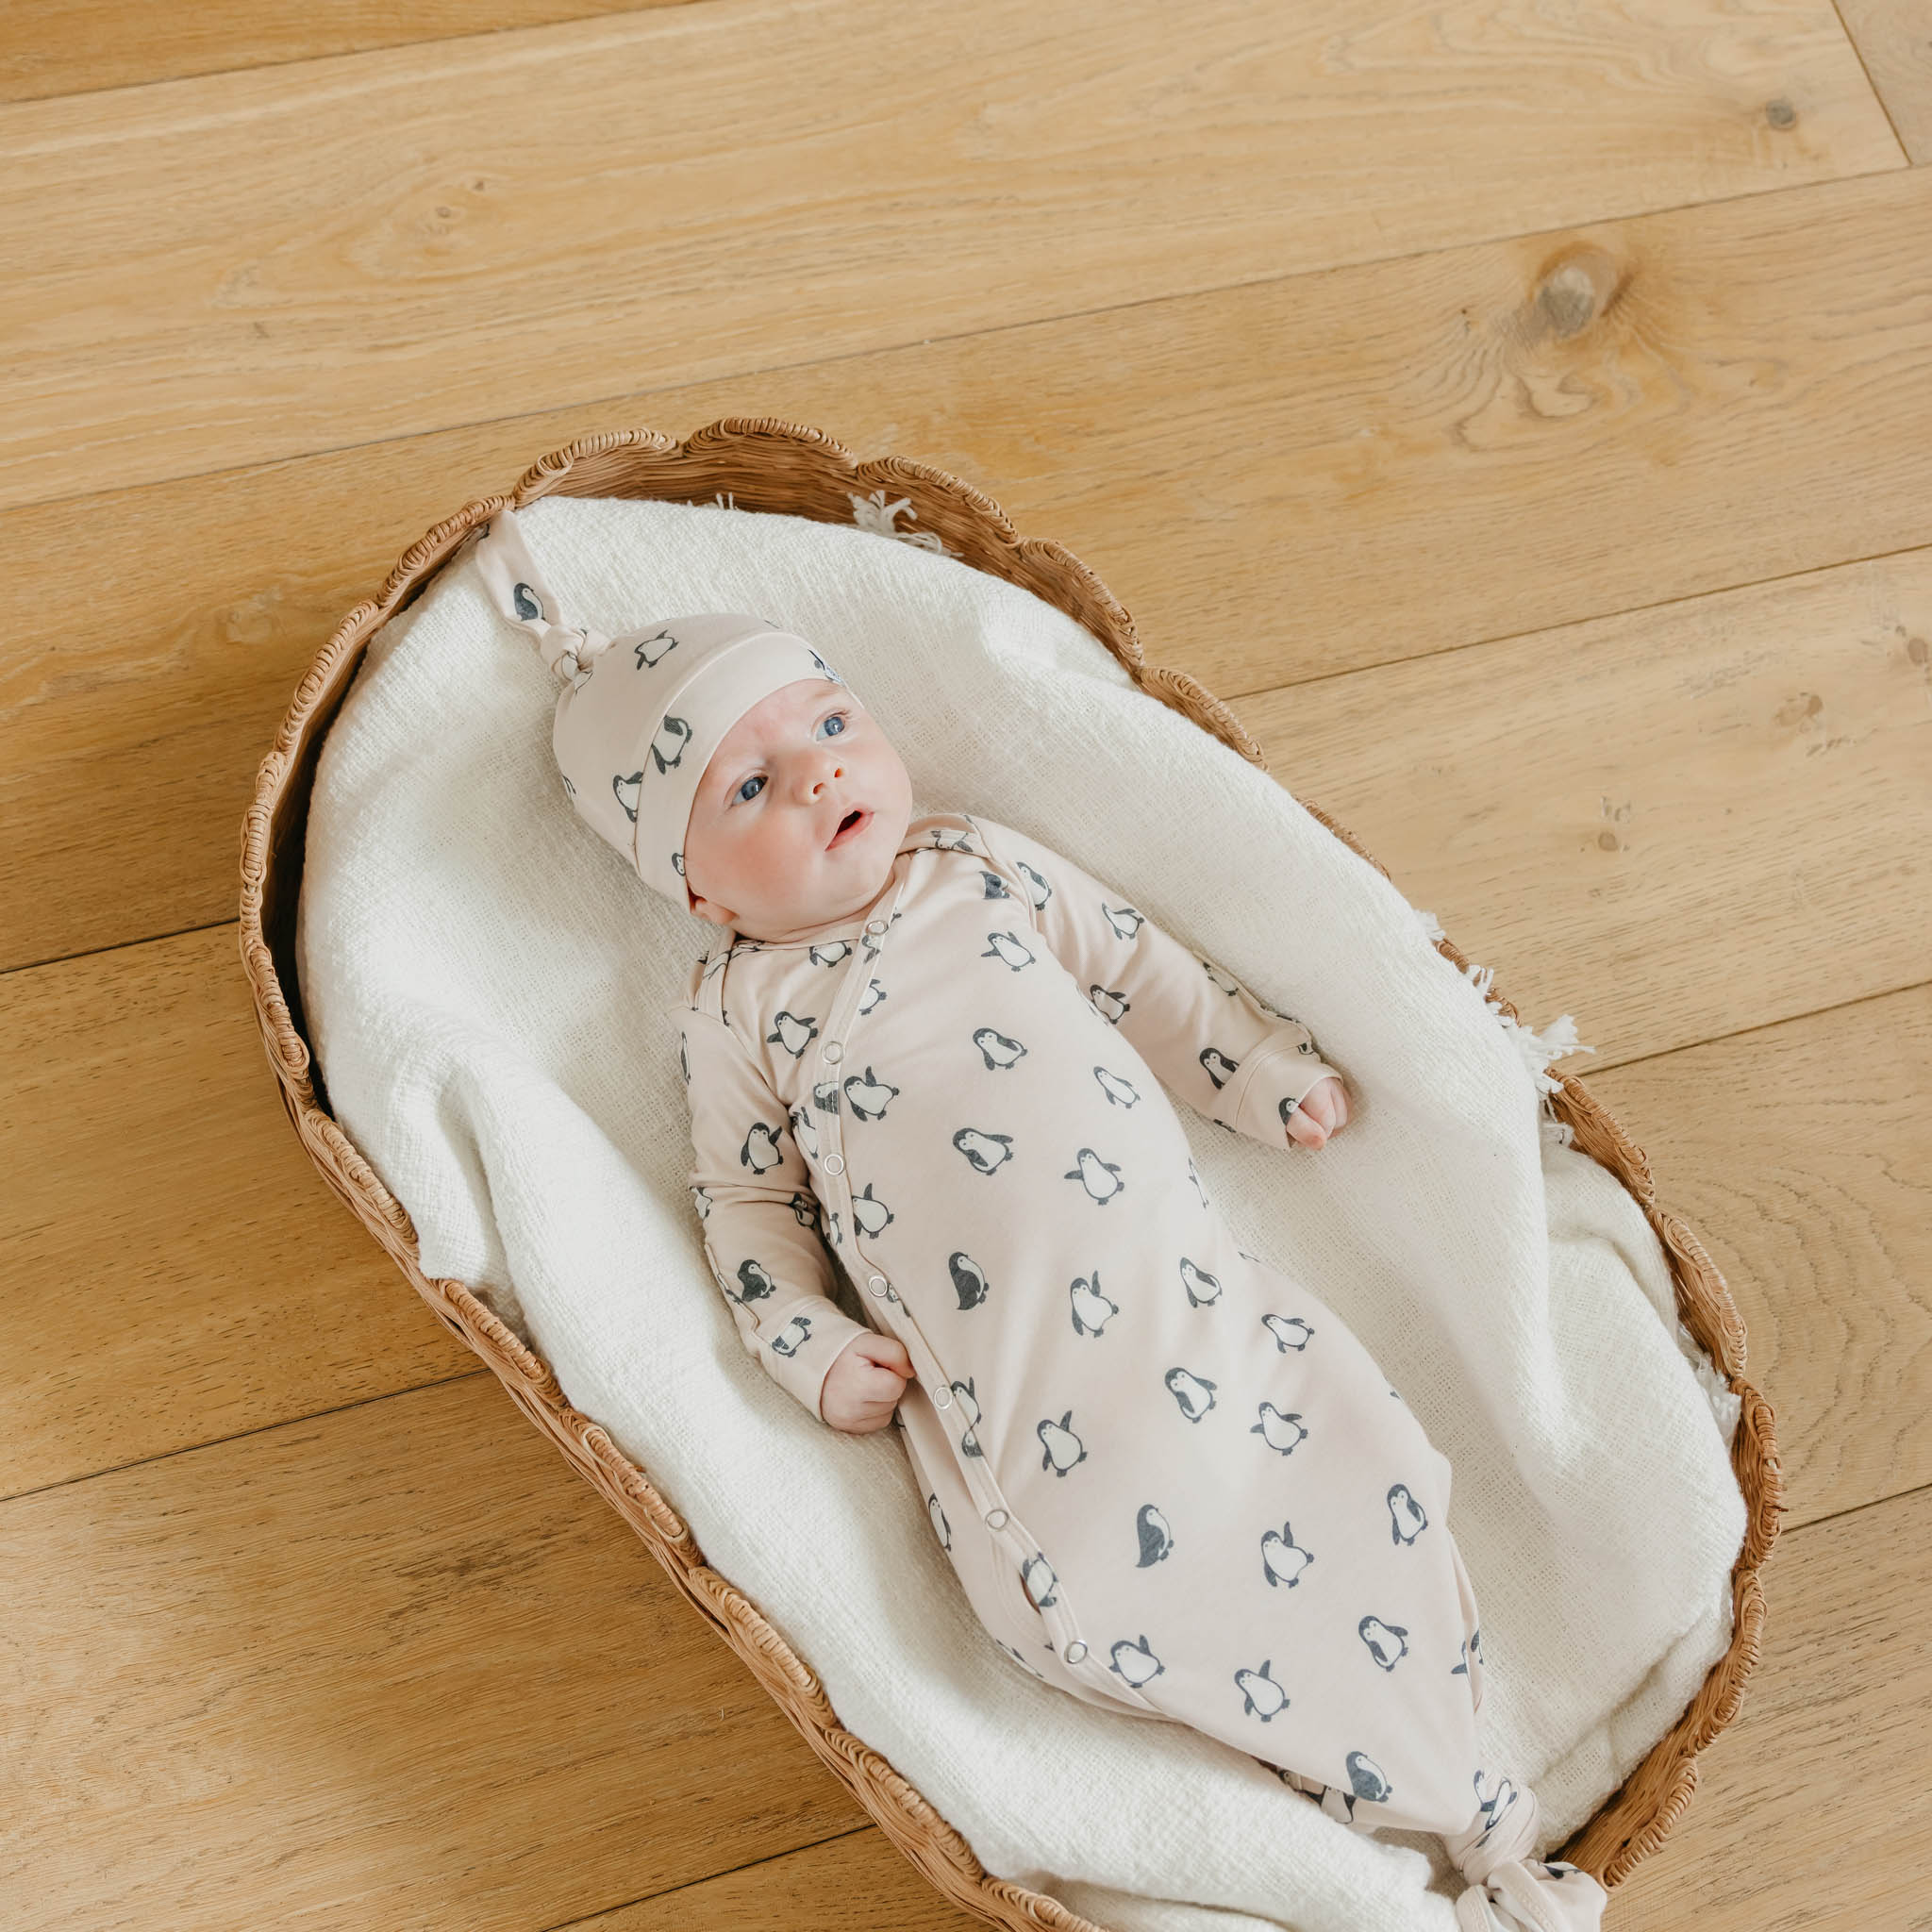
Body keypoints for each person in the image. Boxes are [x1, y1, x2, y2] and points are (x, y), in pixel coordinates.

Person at [472, 505, 1609, 1932]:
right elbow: (746, 1204)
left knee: (1341, 1443)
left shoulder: (978, 867)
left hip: (1190, 1299)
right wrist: (805, 1340)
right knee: (1109, 1576)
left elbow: (1140, 971)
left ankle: (1457, 1784)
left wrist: (1250, 1068)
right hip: (1026, 1390)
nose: (819, 771)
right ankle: (1360, 1806)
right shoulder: (741, 1012)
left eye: (831, 721)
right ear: (692, 887)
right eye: (750, 784)